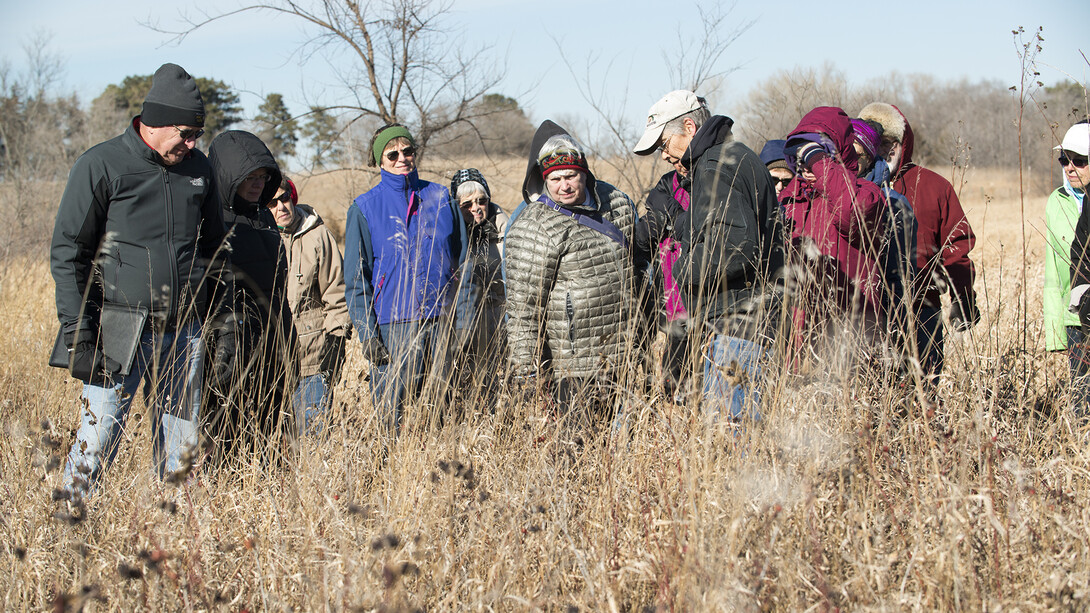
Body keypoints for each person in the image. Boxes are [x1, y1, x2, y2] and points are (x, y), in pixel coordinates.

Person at [50, 63, 223, 496]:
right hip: (119, 330)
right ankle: (71, 520)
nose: (192, 143)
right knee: (98, 439)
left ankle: (174, 538)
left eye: (197, 134)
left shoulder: (198, 168)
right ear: (154, 121)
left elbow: (214, 245)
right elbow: (69, 252)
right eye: (184, 132)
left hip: (183, 331)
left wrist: (207, 308)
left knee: (181, 448)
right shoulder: (102, 164)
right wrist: (78, 333)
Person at [633, 90, 784, 420]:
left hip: (738, 327)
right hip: (748, 320)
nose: (663, 155)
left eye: (663, 144)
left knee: (736, 436)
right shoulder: (734, 156)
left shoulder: (714, 167)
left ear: (689, 127)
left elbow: (732, 247)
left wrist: (677, 270)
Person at [504, 120, 636, 426]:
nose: (564, 186)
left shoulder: (618, 204)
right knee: (577, 451)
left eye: (571, 175)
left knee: (623, 447)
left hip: (625, 353)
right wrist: (527, 372)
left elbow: (639, 270)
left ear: (585, 172)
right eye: (555, 178)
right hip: (575, 363)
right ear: (543, 179)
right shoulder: (533, 227)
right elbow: (523, 309)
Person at [344, 124, 465, 440]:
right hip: (393, 326)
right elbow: (357, 279)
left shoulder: (441, 198)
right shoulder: (364, 208)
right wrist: (368, 334)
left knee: (442, 413)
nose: (402, 158)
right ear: (379, 161)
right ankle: (392, 479)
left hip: (439, 321)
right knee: (392, 420)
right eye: (392, 153)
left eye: (408, 151)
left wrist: (462, 320)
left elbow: (462, 264)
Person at [858, 102, 978, 380]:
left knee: (923, 391)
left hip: (923, 308)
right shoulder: (851, 186)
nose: (885, 149)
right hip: (868, 312)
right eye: (878, 142)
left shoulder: (933, 186)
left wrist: (963, 298)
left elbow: (956, 246)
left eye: (892, 142)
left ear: (904, 143)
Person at [206, 130, 296, 463]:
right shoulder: (212, 221)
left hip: (275, 347)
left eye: (263, 176)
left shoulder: (264, 219)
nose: (258, 183)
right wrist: (222, 349)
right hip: (232, 349)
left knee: (272, 442)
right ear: (230, 175)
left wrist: (289, 339)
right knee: (226, 442)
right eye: (250, 177)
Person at [778, 107, 886, 359]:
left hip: (848, 337)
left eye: (816, 152)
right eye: (800, 153)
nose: (807, 163)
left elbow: (850, 212)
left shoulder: (867, 193)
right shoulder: (789, 198)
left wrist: (820, 163)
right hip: (796, 337)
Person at [267, 176, 351, 434]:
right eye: (272, 203)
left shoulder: (317, 234)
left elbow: (337, 293)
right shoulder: (259, 238)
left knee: (312, 439)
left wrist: (336, 340)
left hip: (313, 360)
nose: (281, 207)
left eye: (284, 198)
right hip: (271, 364)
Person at [851, 118, 918, 355]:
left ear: (870, 157)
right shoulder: (825, 194)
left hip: (877, 322)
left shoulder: (894, 203)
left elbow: (901, 275)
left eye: (857, 155)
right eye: (843, 152)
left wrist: (894, 334)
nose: (849, 159)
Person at [448, 169, 509, 407]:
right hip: (460, 320)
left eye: (482, 201)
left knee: (494, 376)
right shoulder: (449, 233)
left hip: (497, 314)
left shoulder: (504, 227)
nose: (476, 208)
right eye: (467, 204)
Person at [1051, 122, 1090, 413]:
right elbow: (1053, 272)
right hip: (1076, 317)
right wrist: (1056, 332)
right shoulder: (1056, 201)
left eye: (1080, 161)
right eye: (1065, 160)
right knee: (1082, 406)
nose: (1070, 167)